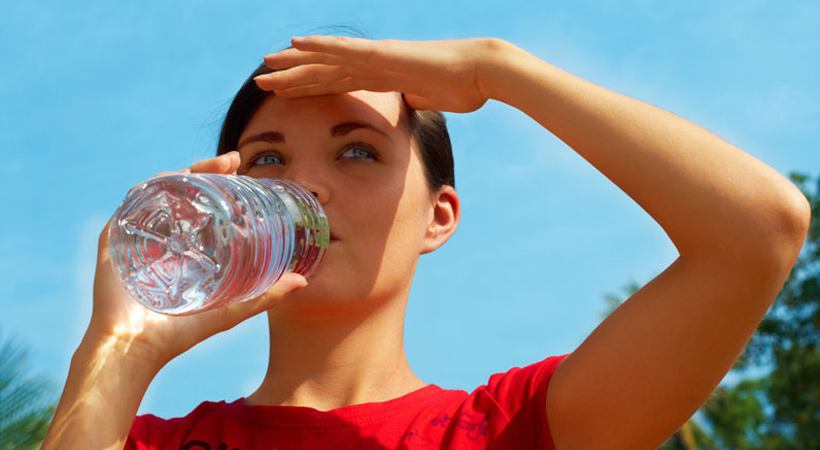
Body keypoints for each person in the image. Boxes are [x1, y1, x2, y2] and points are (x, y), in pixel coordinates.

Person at [42, 36, 810, 449]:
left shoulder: (517, 430)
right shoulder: (142, 443)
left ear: (439, 216)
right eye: (269, 158)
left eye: (357, 151)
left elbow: (758, 230)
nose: (303, 189)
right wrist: (121, 347)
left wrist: (498, 69)